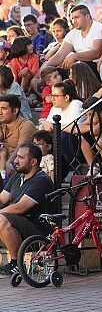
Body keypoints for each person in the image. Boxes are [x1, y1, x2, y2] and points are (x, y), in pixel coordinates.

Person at [0, 143, 56, 278]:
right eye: (16, 157)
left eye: (20, 157)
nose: (15, 161)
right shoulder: (17, 176)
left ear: (33, 162)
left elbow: (21, 207)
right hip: (19, 225)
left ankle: (16, 264)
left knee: (1, 219)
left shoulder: (41, 180)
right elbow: (2, 199)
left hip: (38, 232)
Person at [41, 5, 102, 73]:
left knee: (78, 65)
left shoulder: (98, 28)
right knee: (51, 72)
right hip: (76, 65)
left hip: (95, 66)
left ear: (87, 16)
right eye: (72, 18)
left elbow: (96, 53)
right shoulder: (72, 33)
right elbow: (60, 55)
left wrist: (74, 56)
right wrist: (46, 68)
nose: (73, 21)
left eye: (76, 17)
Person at [0, 94, 36, 179]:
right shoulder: (2, 124)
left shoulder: (26, 125)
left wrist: (8, 163)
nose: (0, 112)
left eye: (4, 109)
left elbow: (21, 148)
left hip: (18, 162)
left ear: (15, 110)